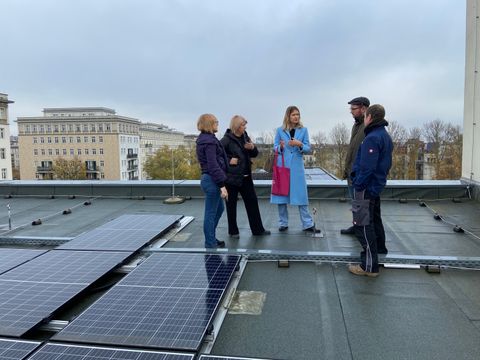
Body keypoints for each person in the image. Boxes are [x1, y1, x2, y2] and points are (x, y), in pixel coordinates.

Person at [348, 104, 393, 277]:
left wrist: (358, 185)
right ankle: (377, 255)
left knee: (363, 226)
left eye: (365, 115)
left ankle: (368, 266)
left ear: (370, 117)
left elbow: (367, 168)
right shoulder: (384, 136)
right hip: (375, 186)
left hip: (366, 188)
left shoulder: (372, 138)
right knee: (372, 221)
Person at [271, 106, 320, 233]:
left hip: (297, 168)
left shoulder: (304, 130)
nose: (296, 117)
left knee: (301, 195)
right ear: (288, 116)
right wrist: (281, 147)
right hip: (283, 166)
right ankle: (283, 223)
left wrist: (299, 144)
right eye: (293, 114)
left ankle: (307, 224)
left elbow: (308, 148)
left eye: (298, 114)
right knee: (281, 196)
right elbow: (274, 147)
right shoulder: (280, 130)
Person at [220, 115, 270, 238]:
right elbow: (218, 156)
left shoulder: (245, 136)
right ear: (237, 126)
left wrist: (252, 147)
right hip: (231, 178)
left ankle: (258, 230)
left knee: (252, 202)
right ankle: (233, 232)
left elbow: (255, 154)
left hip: (246, 177)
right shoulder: (226, 140)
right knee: (231, 205)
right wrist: (229, 159)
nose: (245, 127)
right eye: (243, 125)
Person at [196, 113, 228, 249]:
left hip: (210, 179)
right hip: (212, 180)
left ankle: (211, 237)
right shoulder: (209, 142)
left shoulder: (207, 139)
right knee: (210, 213)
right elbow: (212, 165)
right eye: (215, 122)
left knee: (219, 209)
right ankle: (210, 243)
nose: (217, 124)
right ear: (209, 124)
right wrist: (222, 185)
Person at [341, 96, 370, 235]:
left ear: (363, 109)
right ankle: (356, 226)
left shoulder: (368, 126)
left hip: (360, 174)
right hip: (352, 172)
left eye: (354, 109)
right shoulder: (356, 125)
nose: (351, 111)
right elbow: (352, 148)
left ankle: (362, 229)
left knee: (362, 203)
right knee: (355, 202)